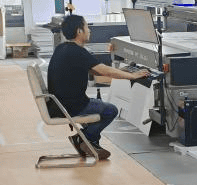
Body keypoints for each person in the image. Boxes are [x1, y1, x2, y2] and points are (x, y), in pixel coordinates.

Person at [47, 14, 149, 160]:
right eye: (86, 27)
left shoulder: (62, 48)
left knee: (100, 105)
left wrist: (122, 71)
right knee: (110, 110)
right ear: (79, 31)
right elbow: (103, 70)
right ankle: (84, 139)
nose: (89, 30)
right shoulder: (77, 52)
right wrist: (132, 76)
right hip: (71, 106)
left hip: (58, 104)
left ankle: (89, 142)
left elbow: (94, 69)